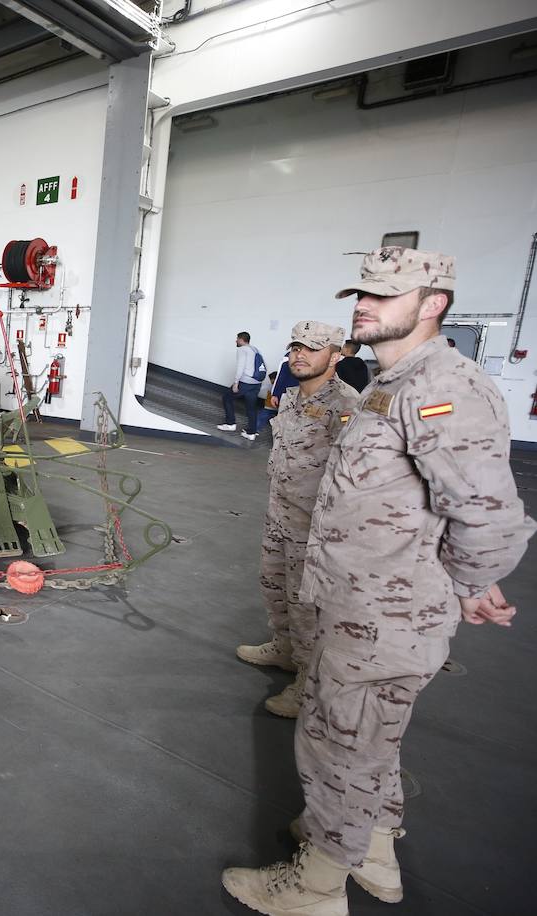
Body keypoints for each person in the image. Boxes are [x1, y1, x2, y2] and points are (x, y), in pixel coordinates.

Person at [223, 248, 536, 914]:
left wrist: (468, 582)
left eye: (385, 295)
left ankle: (315, 886)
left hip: (383, 617)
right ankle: (374, 852)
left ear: (433, 305)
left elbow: (488, 514)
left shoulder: (440, 387)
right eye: (361, 293)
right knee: (370, 740)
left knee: (337, 746)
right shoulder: (391, 385)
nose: (364, 304)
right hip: (361, 604)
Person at [235, 321, 358, 718]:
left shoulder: (347, 405)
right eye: (295, 347)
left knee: (309, 607)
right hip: (280, 516)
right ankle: (284, 649)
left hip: (317, 528)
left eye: (312, 348)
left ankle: (309, 683)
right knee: (275, 588)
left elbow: (354, 474)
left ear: (335, 356)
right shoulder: (287, 397)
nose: (299, 354)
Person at [217, 331, 265, 441]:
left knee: (227, 398)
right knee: (251, 407)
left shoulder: (242, 349)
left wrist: (236, 382)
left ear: (241, 340)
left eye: (237, 339)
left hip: (245, 382)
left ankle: (230, 424)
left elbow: (240, 366)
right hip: (256, 383)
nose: (236, 341)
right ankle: (251, 433)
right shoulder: (255, 349)